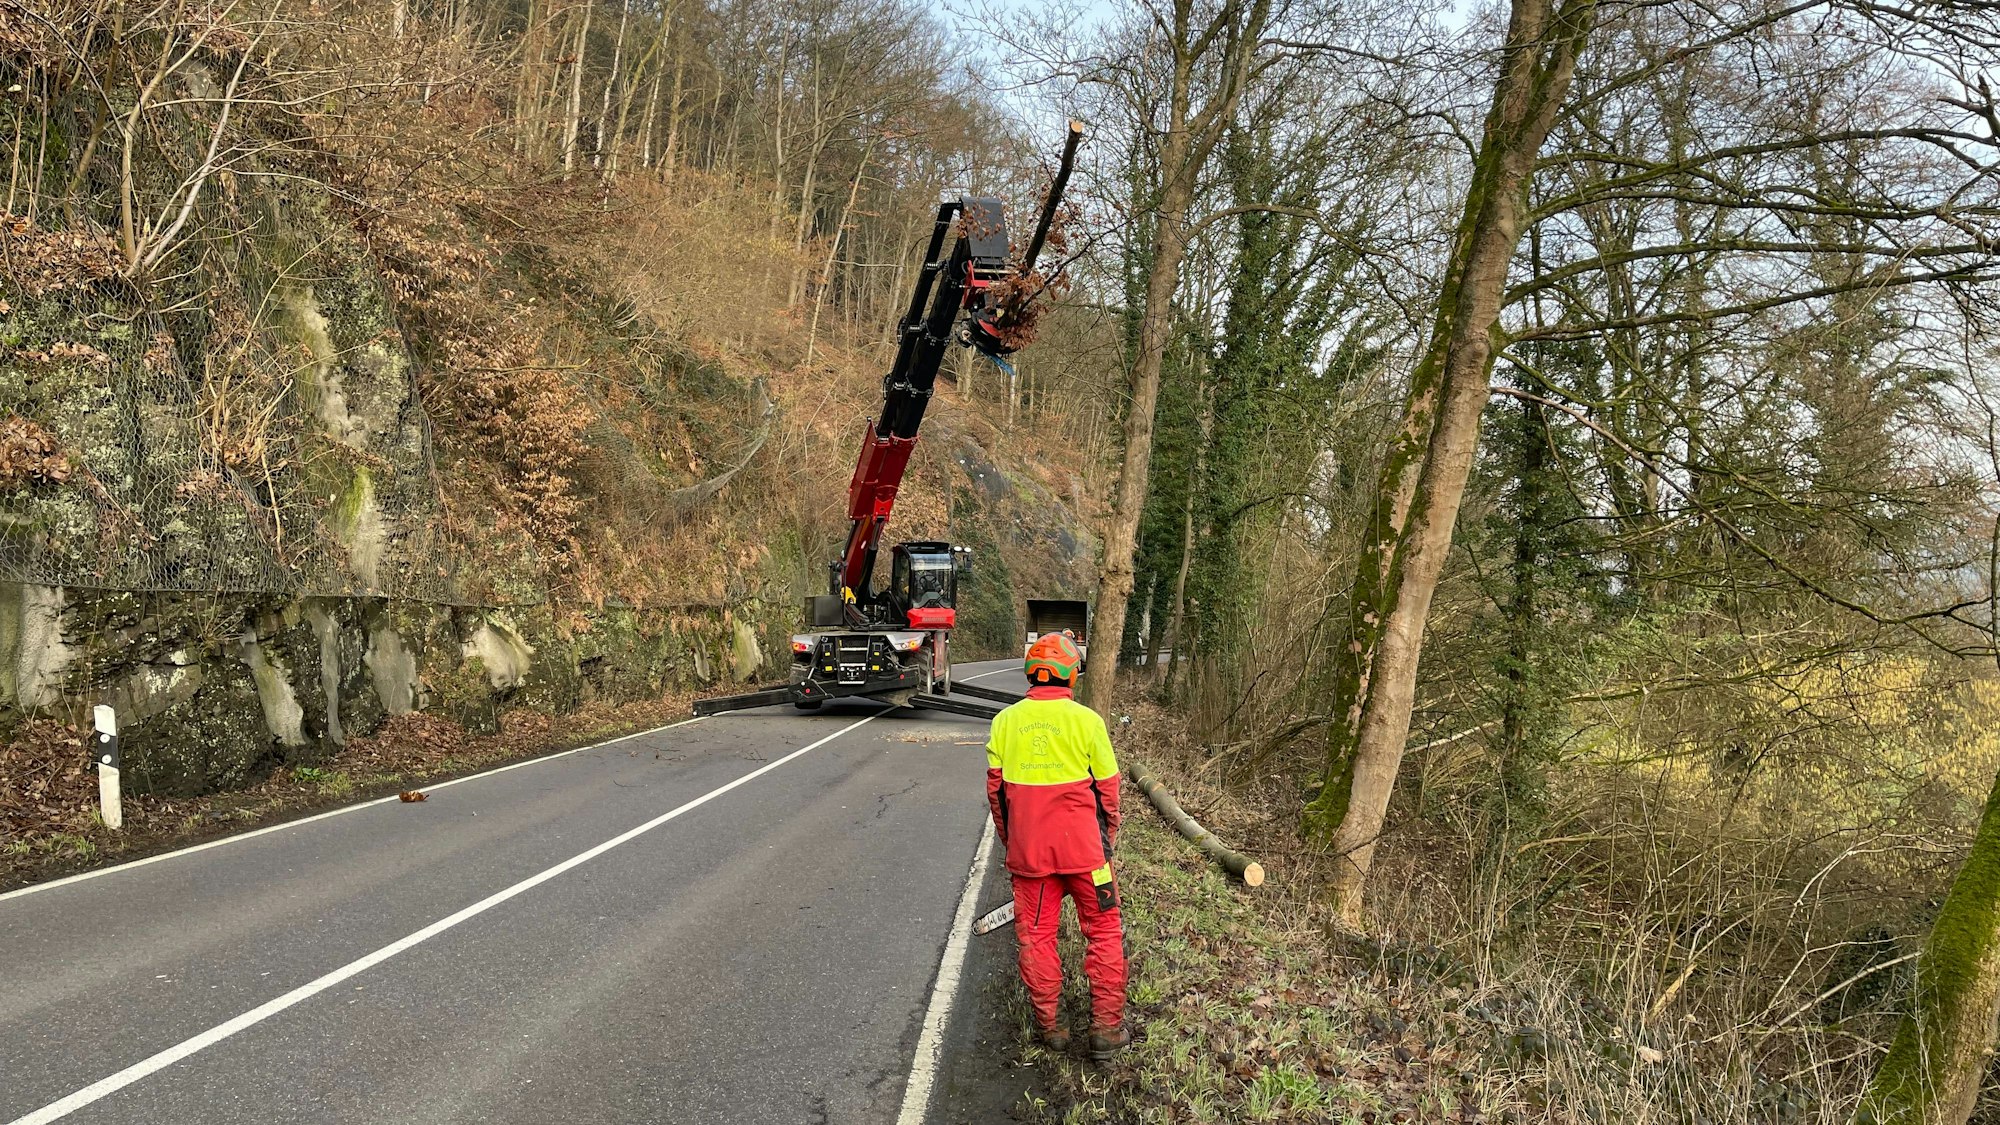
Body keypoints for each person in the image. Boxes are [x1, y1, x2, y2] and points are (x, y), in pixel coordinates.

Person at [985, 632, 1131, 1059]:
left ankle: (1053, 1028)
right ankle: (1106, 1030)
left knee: (1036, 938)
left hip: (1030, 857)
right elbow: (1109, 791)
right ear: (1071, 674)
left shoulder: (1004, 722)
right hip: (1088, 856)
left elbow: (997, 795)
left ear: (1032, 671)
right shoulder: (1088, 722)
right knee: (1104, 932)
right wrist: (1110, 840)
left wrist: (1013, 842)